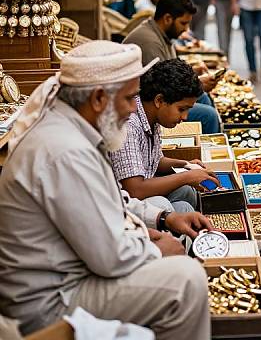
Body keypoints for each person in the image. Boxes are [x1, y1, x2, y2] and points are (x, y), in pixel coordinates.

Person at [0, 41, 212, 339]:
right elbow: (111, 259)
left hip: (67, 279)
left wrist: (163, 219)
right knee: (186, 280)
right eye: (129, 98)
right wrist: (154, 249)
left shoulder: (74, 131)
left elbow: (113, 200)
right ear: (99, 98)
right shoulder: (66, 150)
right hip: (48, 302)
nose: (132, 108)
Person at [110, 59, 220, 213]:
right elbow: (134, 190)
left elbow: (155, 160)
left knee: (187, 192)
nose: (185, 117)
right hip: (123, 202)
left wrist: (185, 164)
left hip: (141, 187)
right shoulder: (130, 126)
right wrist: (187, 177)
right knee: (181, 208)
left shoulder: (152, 116)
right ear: (159, 100)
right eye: (181, 109)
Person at [123, 0, 221, 134]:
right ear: (168, 18)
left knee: (203, 97)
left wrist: (193, 72)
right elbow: (165, 87)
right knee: (209, 116)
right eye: (183, 23)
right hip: (147, 103)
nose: (186, 29)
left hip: (161, 95)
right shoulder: (150, 42)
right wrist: (199, 84)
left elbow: (169, 72)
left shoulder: (161, 34)